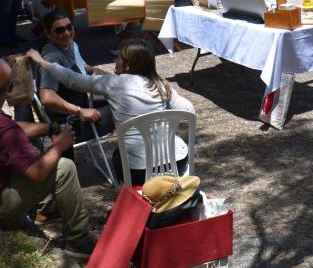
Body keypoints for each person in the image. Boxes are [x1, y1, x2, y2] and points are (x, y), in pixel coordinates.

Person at [0, 58, 94, 259]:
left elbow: (15, 129)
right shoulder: (1, 128)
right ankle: (79, 243)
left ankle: (45, 211)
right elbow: (38, 172)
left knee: (33, 157)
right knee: (64, 167)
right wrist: (59, 145)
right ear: (10, 89)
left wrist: (50, 128)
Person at [27, 38, 194, 186]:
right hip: (177, 161)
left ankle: (130, 200)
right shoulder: (161, 84)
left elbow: (72, 79)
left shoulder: (113, 84)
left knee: (118, 156)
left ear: (128, 65)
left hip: (140, 172)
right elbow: (188, 110)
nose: (115, 60)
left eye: (118, 57)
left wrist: (41, 62)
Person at [36, 10, 113, 145]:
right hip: (70, 124)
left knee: (123, 97)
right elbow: (46, 98)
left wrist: (94, 70)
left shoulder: (71, 45)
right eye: (59, 30)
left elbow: (83, 66)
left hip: (84, 101)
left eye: (69, 27)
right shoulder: (51, 58)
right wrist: (80, 111)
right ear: (48, 34)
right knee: (125, 108)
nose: (66, 33)